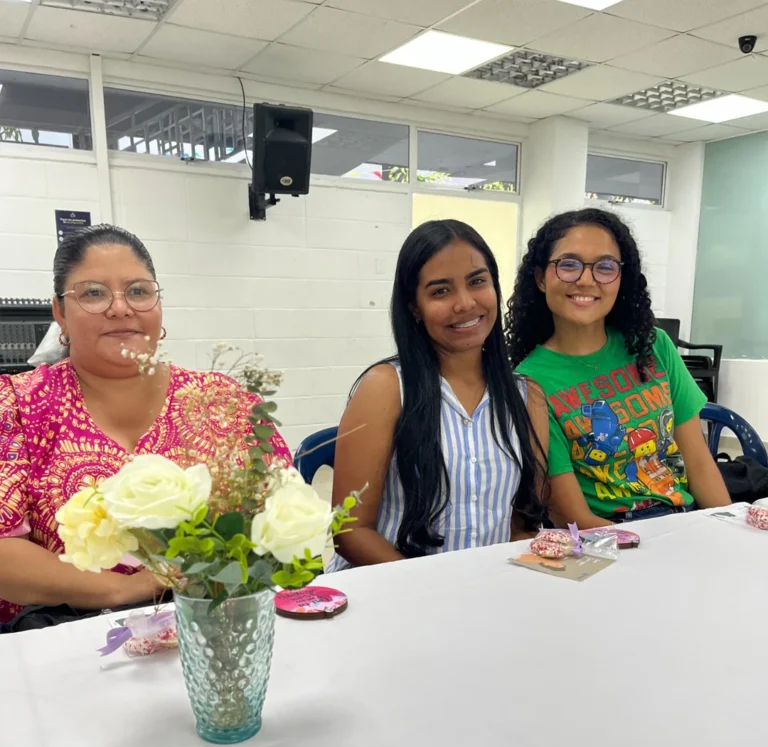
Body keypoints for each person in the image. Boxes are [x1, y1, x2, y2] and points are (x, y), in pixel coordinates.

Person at [0, 224, 291, 625]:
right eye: (93, 293)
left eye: (138, 291)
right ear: (60, 313)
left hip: (218, 626)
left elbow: (283, 514)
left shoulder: (223, 401)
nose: (120, 308)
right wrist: (128, 589)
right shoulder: (17, 405)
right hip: (72, 636)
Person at [328, 219, 549, 570]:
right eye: (441, 291)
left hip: (482, 587)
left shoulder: (527, 396)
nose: (465, 303)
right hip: (391, 586)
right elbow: (350, 531)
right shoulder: (386, 387)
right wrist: (434, 589)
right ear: (414, 307)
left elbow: (522, 524)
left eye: (477, 282)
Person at [506, 208, 730, 528]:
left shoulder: (653, 346)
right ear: (541, 278)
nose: (586, 280)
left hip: (684, 521)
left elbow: (699, 462)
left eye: (605, 266)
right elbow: (571, 515)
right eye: (569, 264)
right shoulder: (530, 381)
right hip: (610, 534)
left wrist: (727, 527)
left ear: (621, 278)